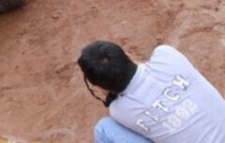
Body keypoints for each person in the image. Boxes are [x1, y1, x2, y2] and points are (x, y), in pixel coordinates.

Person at [77, 41, 225, 142]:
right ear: (128, 55)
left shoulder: (120, 111)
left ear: (102, 88)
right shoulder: (167, 55)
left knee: (104, 128)